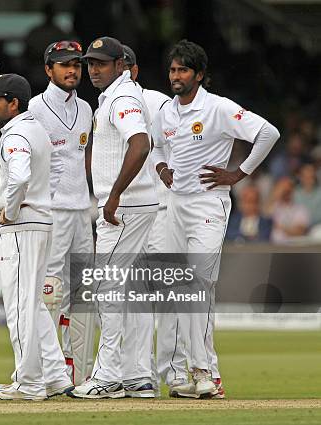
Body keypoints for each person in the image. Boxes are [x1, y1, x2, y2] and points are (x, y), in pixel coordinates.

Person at [151, 39, 280, 398]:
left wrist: (238, 173)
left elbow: (268, 133)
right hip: (175, 205)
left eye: (183, 70)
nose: (176, 76)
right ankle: (186, 375)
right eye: (173, 70)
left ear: (200, 75)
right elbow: (156, 145)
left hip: (208, 205)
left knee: (198, 287)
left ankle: (206, 372)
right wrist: (161, 166)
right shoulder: (167, 112)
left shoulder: (218, 108)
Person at [70, 37, 158, 399]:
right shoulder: (115, 97)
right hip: (136, 204)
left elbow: (141, 143)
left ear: (120, 64)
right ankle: (137, 374)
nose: (93, 70)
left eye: (102, 63)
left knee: (107, 288)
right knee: (132, 290)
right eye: (91, 63)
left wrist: (116, 193)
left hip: (125, 206)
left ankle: (107, 376)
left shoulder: (121, 99)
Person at [0, 74, 73, 400]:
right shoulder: (34, 129)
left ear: (13, 103)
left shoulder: (17, 134)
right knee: (32, 305)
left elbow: (18, 175)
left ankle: (28, 382)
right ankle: (56, 375)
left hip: (22, 226)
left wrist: (11, 207)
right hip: (40, 222)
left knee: (20, 307)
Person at [121, 44, 191, 398]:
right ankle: (140, 374)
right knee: (134, 297)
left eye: (123, 67)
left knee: (168, 293)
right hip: (130, 213)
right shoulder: (107, 106)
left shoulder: (159, 102)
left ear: (132, 70)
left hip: (161, 209)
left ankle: (176, 373)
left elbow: (177, 150)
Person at [28, 40, 94, 385]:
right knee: (50, 292)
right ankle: (44, 373)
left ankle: (78, 374)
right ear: (48, 69)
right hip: (51, 212)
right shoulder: (34, 108)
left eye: (76, 65)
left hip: (82, 209)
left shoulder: (87, 109)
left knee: (83, 295)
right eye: (64, 64)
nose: (72, 70)